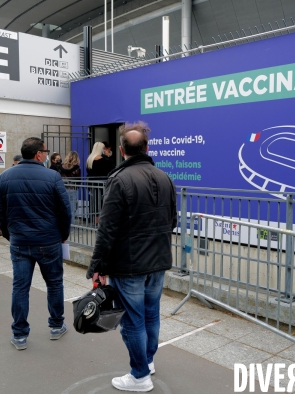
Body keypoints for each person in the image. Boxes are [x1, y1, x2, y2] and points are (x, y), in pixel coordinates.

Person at [86, 122, 177, 392]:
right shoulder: (164, 177)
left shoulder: (119, 179)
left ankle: (139, 376)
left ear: (122, 150)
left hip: (130, 263)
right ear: (146, 148)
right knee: (151, 315)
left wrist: (97, 266)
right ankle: (146, 362)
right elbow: (172, 220)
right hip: (157, 260)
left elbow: (107, 228)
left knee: (134, 320)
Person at [0, 137, 72, 351]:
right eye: (45, 152)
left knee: (20, 287)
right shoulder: (52, 176)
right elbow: (65, 210)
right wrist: (62, 234)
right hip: (48, 240)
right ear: (38, 154)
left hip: (20, 242)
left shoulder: (5, 176)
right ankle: (56, 325)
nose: (47, 155)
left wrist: (11, 234)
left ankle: (19, 335)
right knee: (54, 283)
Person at [60, 151, 81, 224]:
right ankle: (70, 225)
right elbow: (78, 180)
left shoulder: (61, 166)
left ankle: (64, 225)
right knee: (72, 208)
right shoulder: (77, 168)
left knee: (63, 207)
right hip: (73, 188)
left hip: (63, 189)